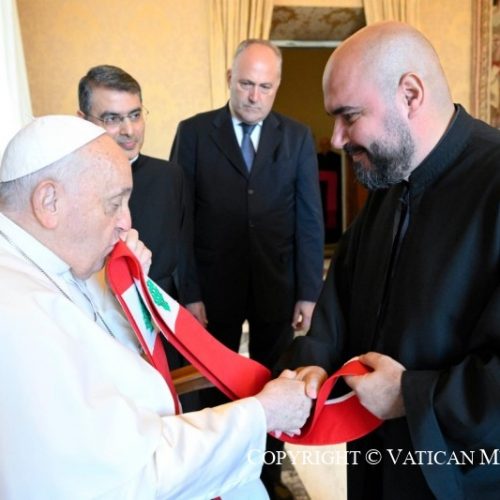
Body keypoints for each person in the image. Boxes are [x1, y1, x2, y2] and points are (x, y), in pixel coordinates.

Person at [0, 115, 313, 499]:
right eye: (114, 204)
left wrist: (128, 289)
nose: (126, 223)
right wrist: (262, 414)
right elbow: (125, 476)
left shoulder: (46, 259)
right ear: (49, 202)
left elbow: (113, 355)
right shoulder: (15, 318)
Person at [279, 21, 500, 499]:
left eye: (349, 116)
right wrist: (316, 361)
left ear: (410, 95)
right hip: (373, 460)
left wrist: (409, 395)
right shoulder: (388, 179)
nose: (336, 139)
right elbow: (342, 293)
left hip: (461, 475)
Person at [170, 39, 324, 498]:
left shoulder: (296, 136)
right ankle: (219, 472)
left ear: (276, 86)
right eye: (246, 84)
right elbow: (181, 219)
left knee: (275, 377)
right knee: (214, 378)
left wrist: (309, 291)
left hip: (277, 283)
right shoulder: (194, 132)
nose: (254, 96)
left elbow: (309, 217)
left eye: (265, 87)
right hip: (213, 285)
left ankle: (268, 475)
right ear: (229, 80)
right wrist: (190, 292)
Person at [78, 65, 205, 323]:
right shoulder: (69, 183)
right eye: (112, 119)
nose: (129, 130)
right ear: (83, 120)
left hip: (162, 314)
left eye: (135, 115)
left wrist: (192, 299)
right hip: (97, 315)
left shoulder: (170, 176)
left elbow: (184, 248)